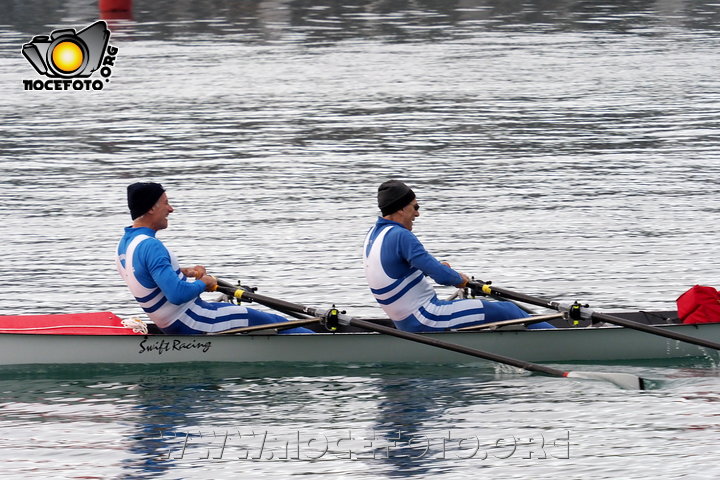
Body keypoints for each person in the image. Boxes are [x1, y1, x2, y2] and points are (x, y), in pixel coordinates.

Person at [116, 182, 313, 335]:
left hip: (176, 322)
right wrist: (204, 282)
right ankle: (324, 343)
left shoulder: (126, 243)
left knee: (247, 315)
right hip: (194, 320)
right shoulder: (152, 246)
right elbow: (176, 295)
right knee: (272, 321)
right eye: (166, 203)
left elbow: (145, 274)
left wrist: (184, 272)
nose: (171, 209)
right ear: (151, 208)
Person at [363, 180, 555, 332]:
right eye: (415, 207)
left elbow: (400, 268)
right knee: (509, 310)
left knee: (495, 311)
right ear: (400, 208)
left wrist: (437, 267)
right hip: (427, 317)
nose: (418, 213)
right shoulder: (401, 236)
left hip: (405, 321)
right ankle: (558, 340)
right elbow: (444, 277)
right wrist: (458, 279)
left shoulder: (374, 234)